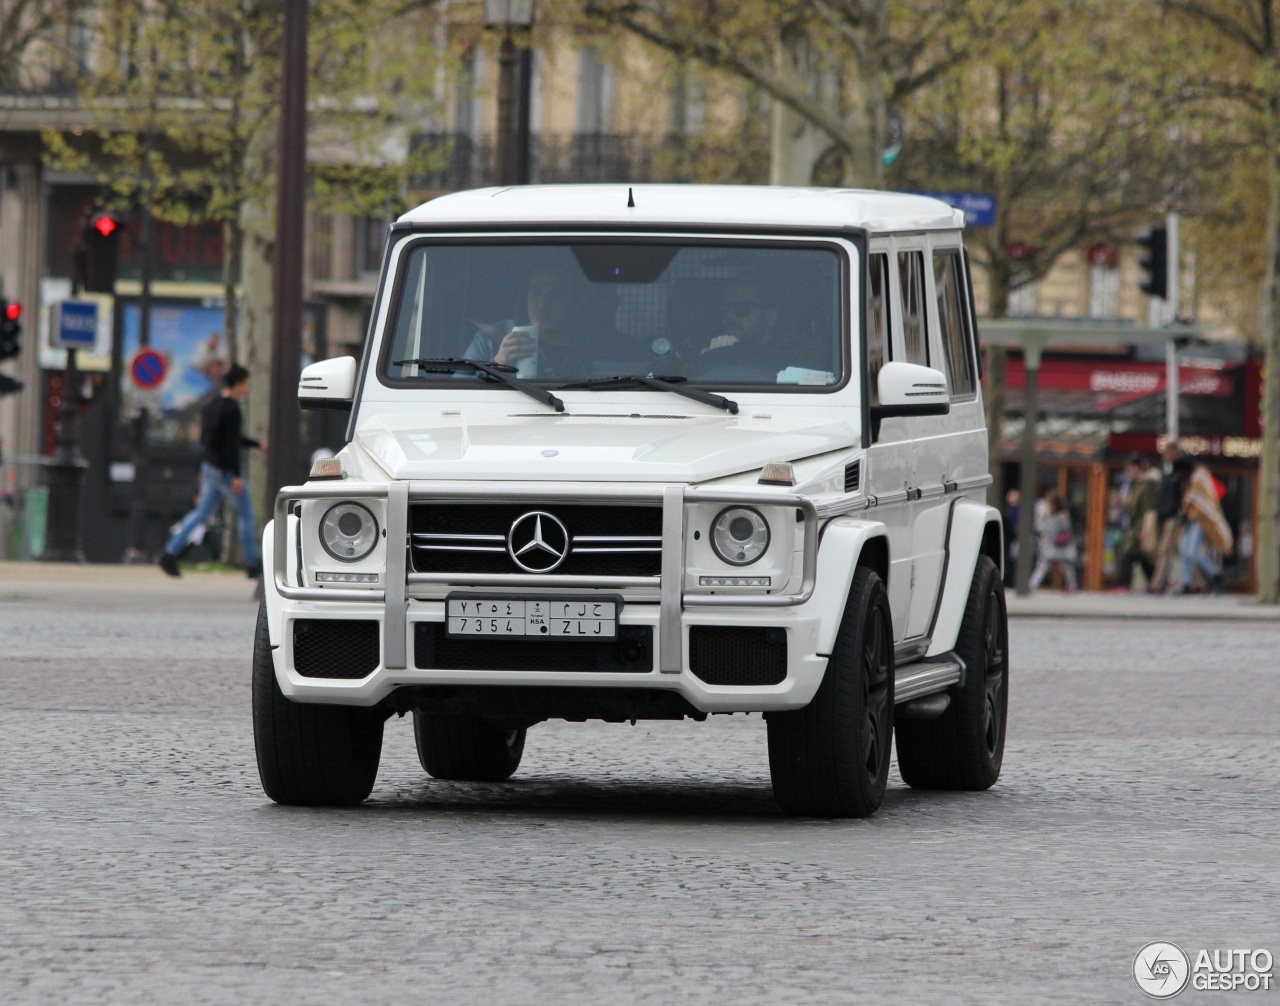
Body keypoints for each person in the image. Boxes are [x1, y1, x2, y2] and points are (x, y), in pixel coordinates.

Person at [159, 364, 265, 579]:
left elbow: (212, 441)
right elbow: (231, 445)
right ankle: (253, 562)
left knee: (201, 514)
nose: (247, 387)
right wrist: (236, 475)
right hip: (225, 470)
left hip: (211, 467)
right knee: (246, 513)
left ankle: (170, 552)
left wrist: (255, 444)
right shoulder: (233, 409)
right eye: (246, 383)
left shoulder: (211, 406)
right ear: (238, 384)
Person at [463, 260, 612, 380]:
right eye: (536, 292)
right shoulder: (491, 339)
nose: (542, 304)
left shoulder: (598, 348)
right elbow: (458, 395)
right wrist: (498, 365)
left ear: (578, 303)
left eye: (556, 295)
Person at [697, 272, 829, 382]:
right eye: (725, 309)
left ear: (771, 317)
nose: (729, 316)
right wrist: (712, 358)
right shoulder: (706, 347)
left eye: (742, 308)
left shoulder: (805, 353)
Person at [1171, 462, 1232, 594]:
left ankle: (1217, 575)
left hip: (1200, 519)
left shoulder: (1199, 478)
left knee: (1193, 552)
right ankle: (1186, 584)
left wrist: (1188, 511)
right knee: (1183, 551)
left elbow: (1200, 502)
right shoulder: (1188, 481)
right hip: (1190, 520)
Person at [1149, 444, 1189, 593]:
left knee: (1165, 550)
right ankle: (1191, 582)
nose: (1164, 455)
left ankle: (1157, 584)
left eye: (1167, 452)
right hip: (1165, 516)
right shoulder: (1167, 470)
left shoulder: (1180, 470)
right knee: (1176, 551)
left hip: (1174, 516)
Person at [1118, 454, 1159, 590]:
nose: (1128, 472)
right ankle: (1156, 582)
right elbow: (1134, 504)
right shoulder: (1136, 484)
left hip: (1140, 525)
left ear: (1137, 467)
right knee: (1140, 557)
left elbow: (1148, 509)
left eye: (1130, 469)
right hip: (1133, 524)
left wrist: (1144, 529)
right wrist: (1126, 503)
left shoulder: (1146, 485)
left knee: (1128, 553)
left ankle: (1125, 585)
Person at [1028, 492, 1078, 592]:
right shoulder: (1047, 515)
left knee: (1066, 566)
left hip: (1061, 545)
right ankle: (1032, 585)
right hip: (1050, 546)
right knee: (1043, 565)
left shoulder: (1062, 515)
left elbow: (1064, 528)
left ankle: (1072, 586)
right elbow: (1040, 528)